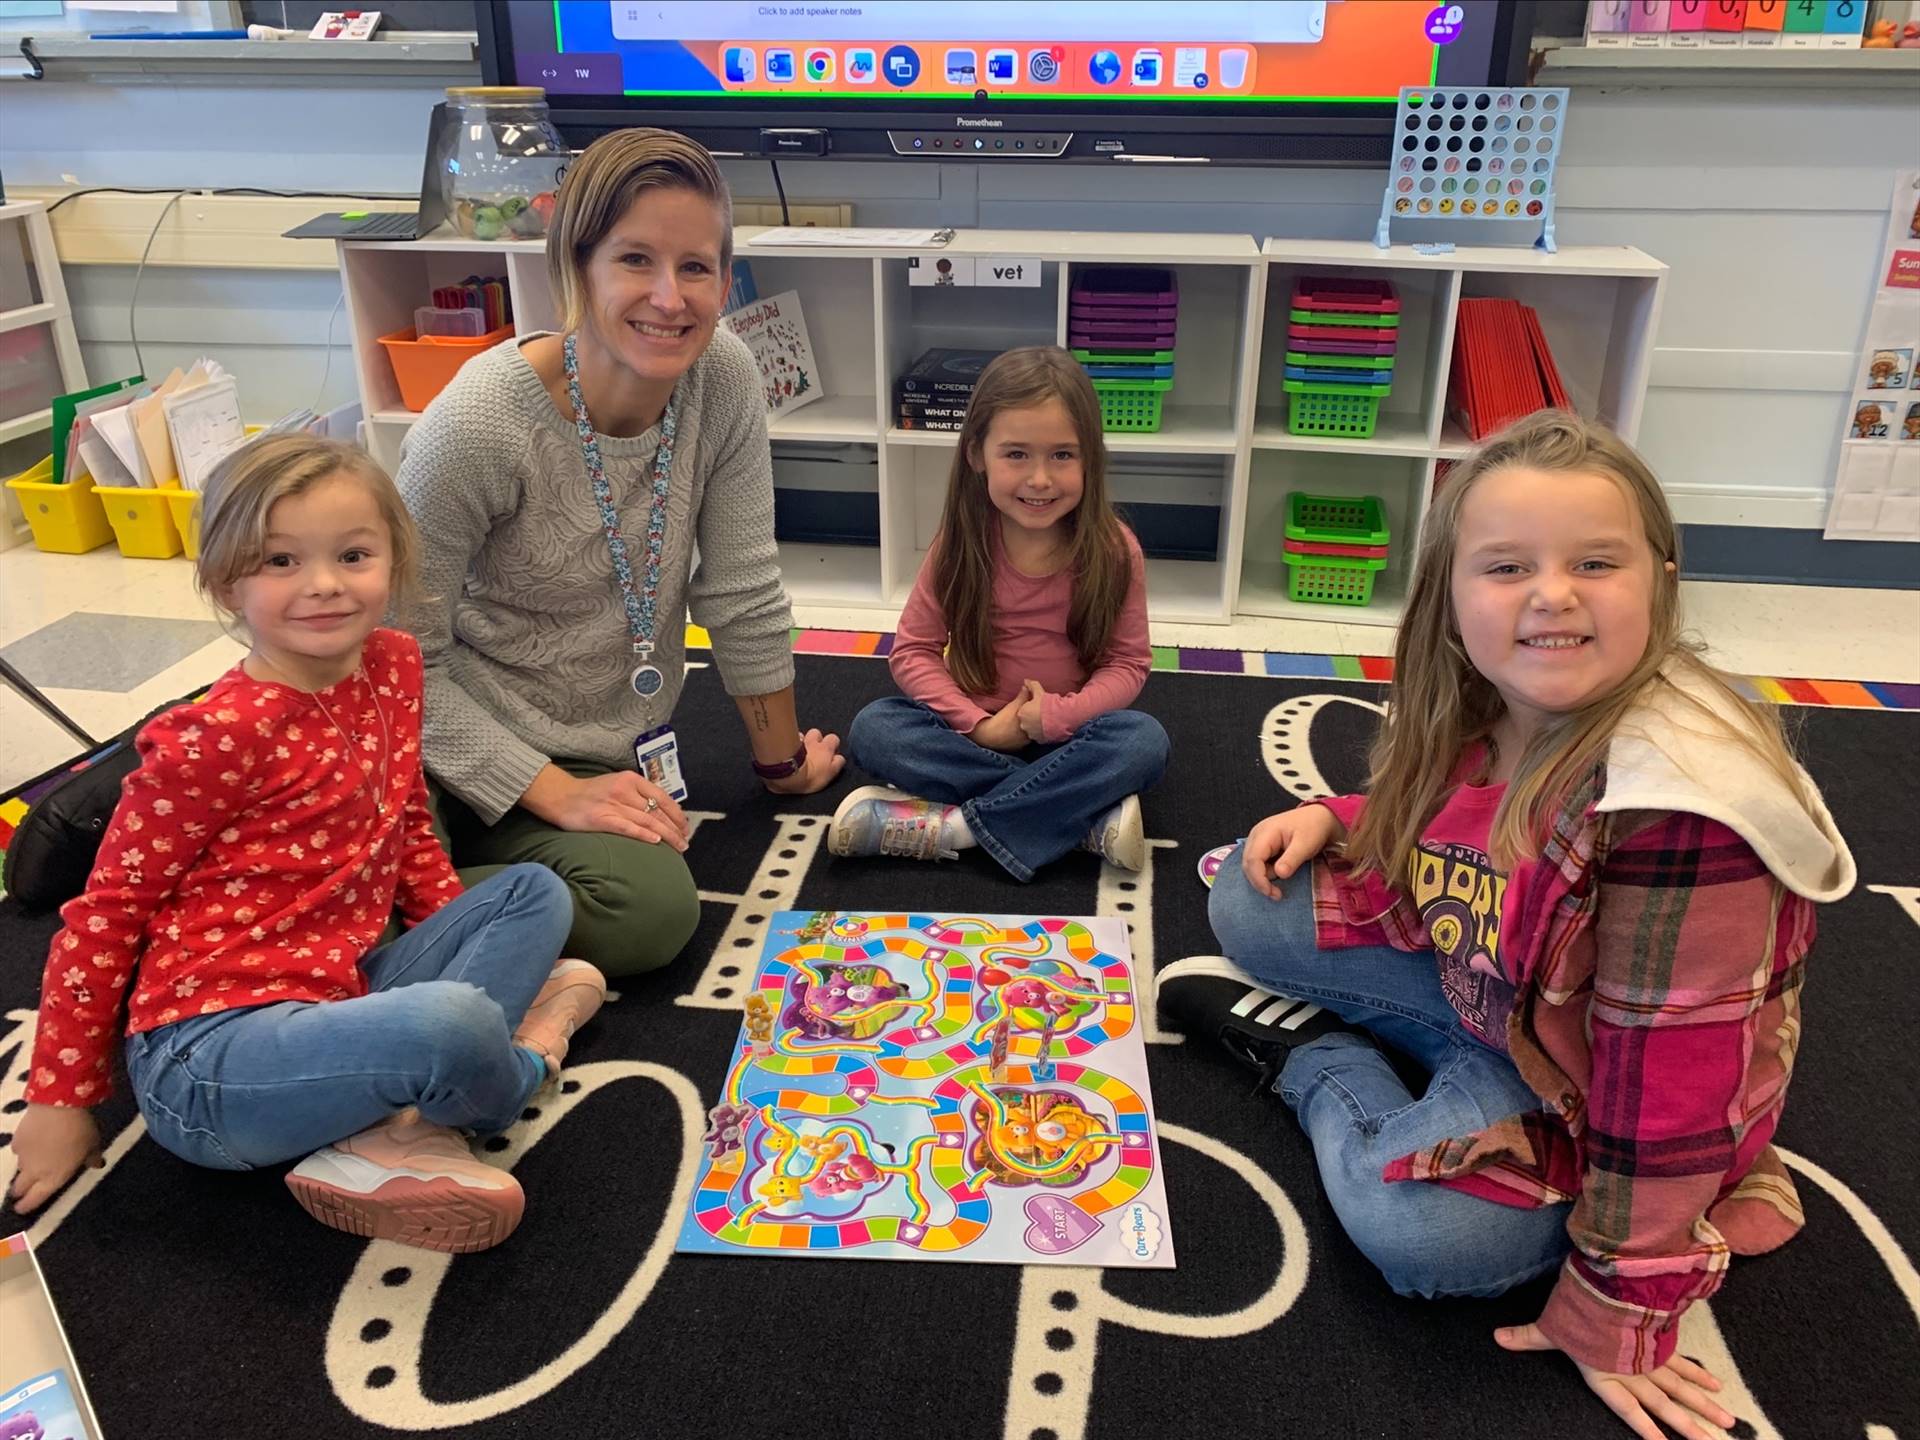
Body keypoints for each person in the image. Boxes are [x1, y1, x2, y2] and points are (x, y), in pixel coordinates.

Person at [1159, 411, 1854, 1440]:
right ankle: (1431, 1067)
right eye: (1506, 566)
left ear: (1660, 578)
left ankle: (1316, 1066)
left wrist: (1619, 1309)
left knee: (1427, 1245)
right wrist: (1333, 817)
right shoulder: (1491, 694)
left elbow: (1665, 1094)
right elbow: (1448, 832)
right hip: (1490, 989)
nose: (1552, 593)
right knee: (1248, 895)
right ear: (1449, 598)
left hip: (1597, 1088)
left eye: (1596, 562)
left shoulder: (1683, 812)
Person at [6, 435, 604, 1254]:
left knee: (534, 895)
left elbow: (402, 825)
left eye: (353, 555)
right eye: (280, 561)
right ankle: (513, 1068)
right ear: (226, 581)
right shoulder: (209, 737)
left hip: (337, 989)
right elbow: (105, 915)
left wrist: (462, 949)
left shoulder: (393, 665)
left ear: (394, 561)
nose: (324, 584)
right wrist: (60, 1100)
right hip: (209, 1057)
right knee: (457, 1024)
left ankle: (397, 1120)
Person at [395, 127, 843, 979]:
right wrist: (552, 792)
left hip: (593, 750)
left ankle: (425, 920)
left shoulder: (726, 376)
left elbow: (743, 587)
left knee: (652, 913)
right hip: (435, 741)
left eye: (698, 267)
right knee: (340, 874)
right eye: (635, 260)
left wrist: (781, 765)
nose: (670, 299)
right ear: (578, 266)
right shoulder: (479, 423)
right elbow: (391, 660)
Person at [830, 346, 1167, 878]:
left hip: (1071, 738)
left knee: (1143, 741)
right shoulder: (959, 544)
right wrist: (982, 727)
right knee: (876, 728)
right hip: (973, 739)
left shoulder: (1115, 548)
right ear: (976, 455)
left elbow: (1127, 664)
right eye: (1016, 454)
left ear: (1091, 459)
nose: (1040, 479)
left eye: (1063, 455)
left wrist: (1058, 717)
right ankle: (1073, 818)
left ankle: (956, 827)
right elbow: (914, 651)